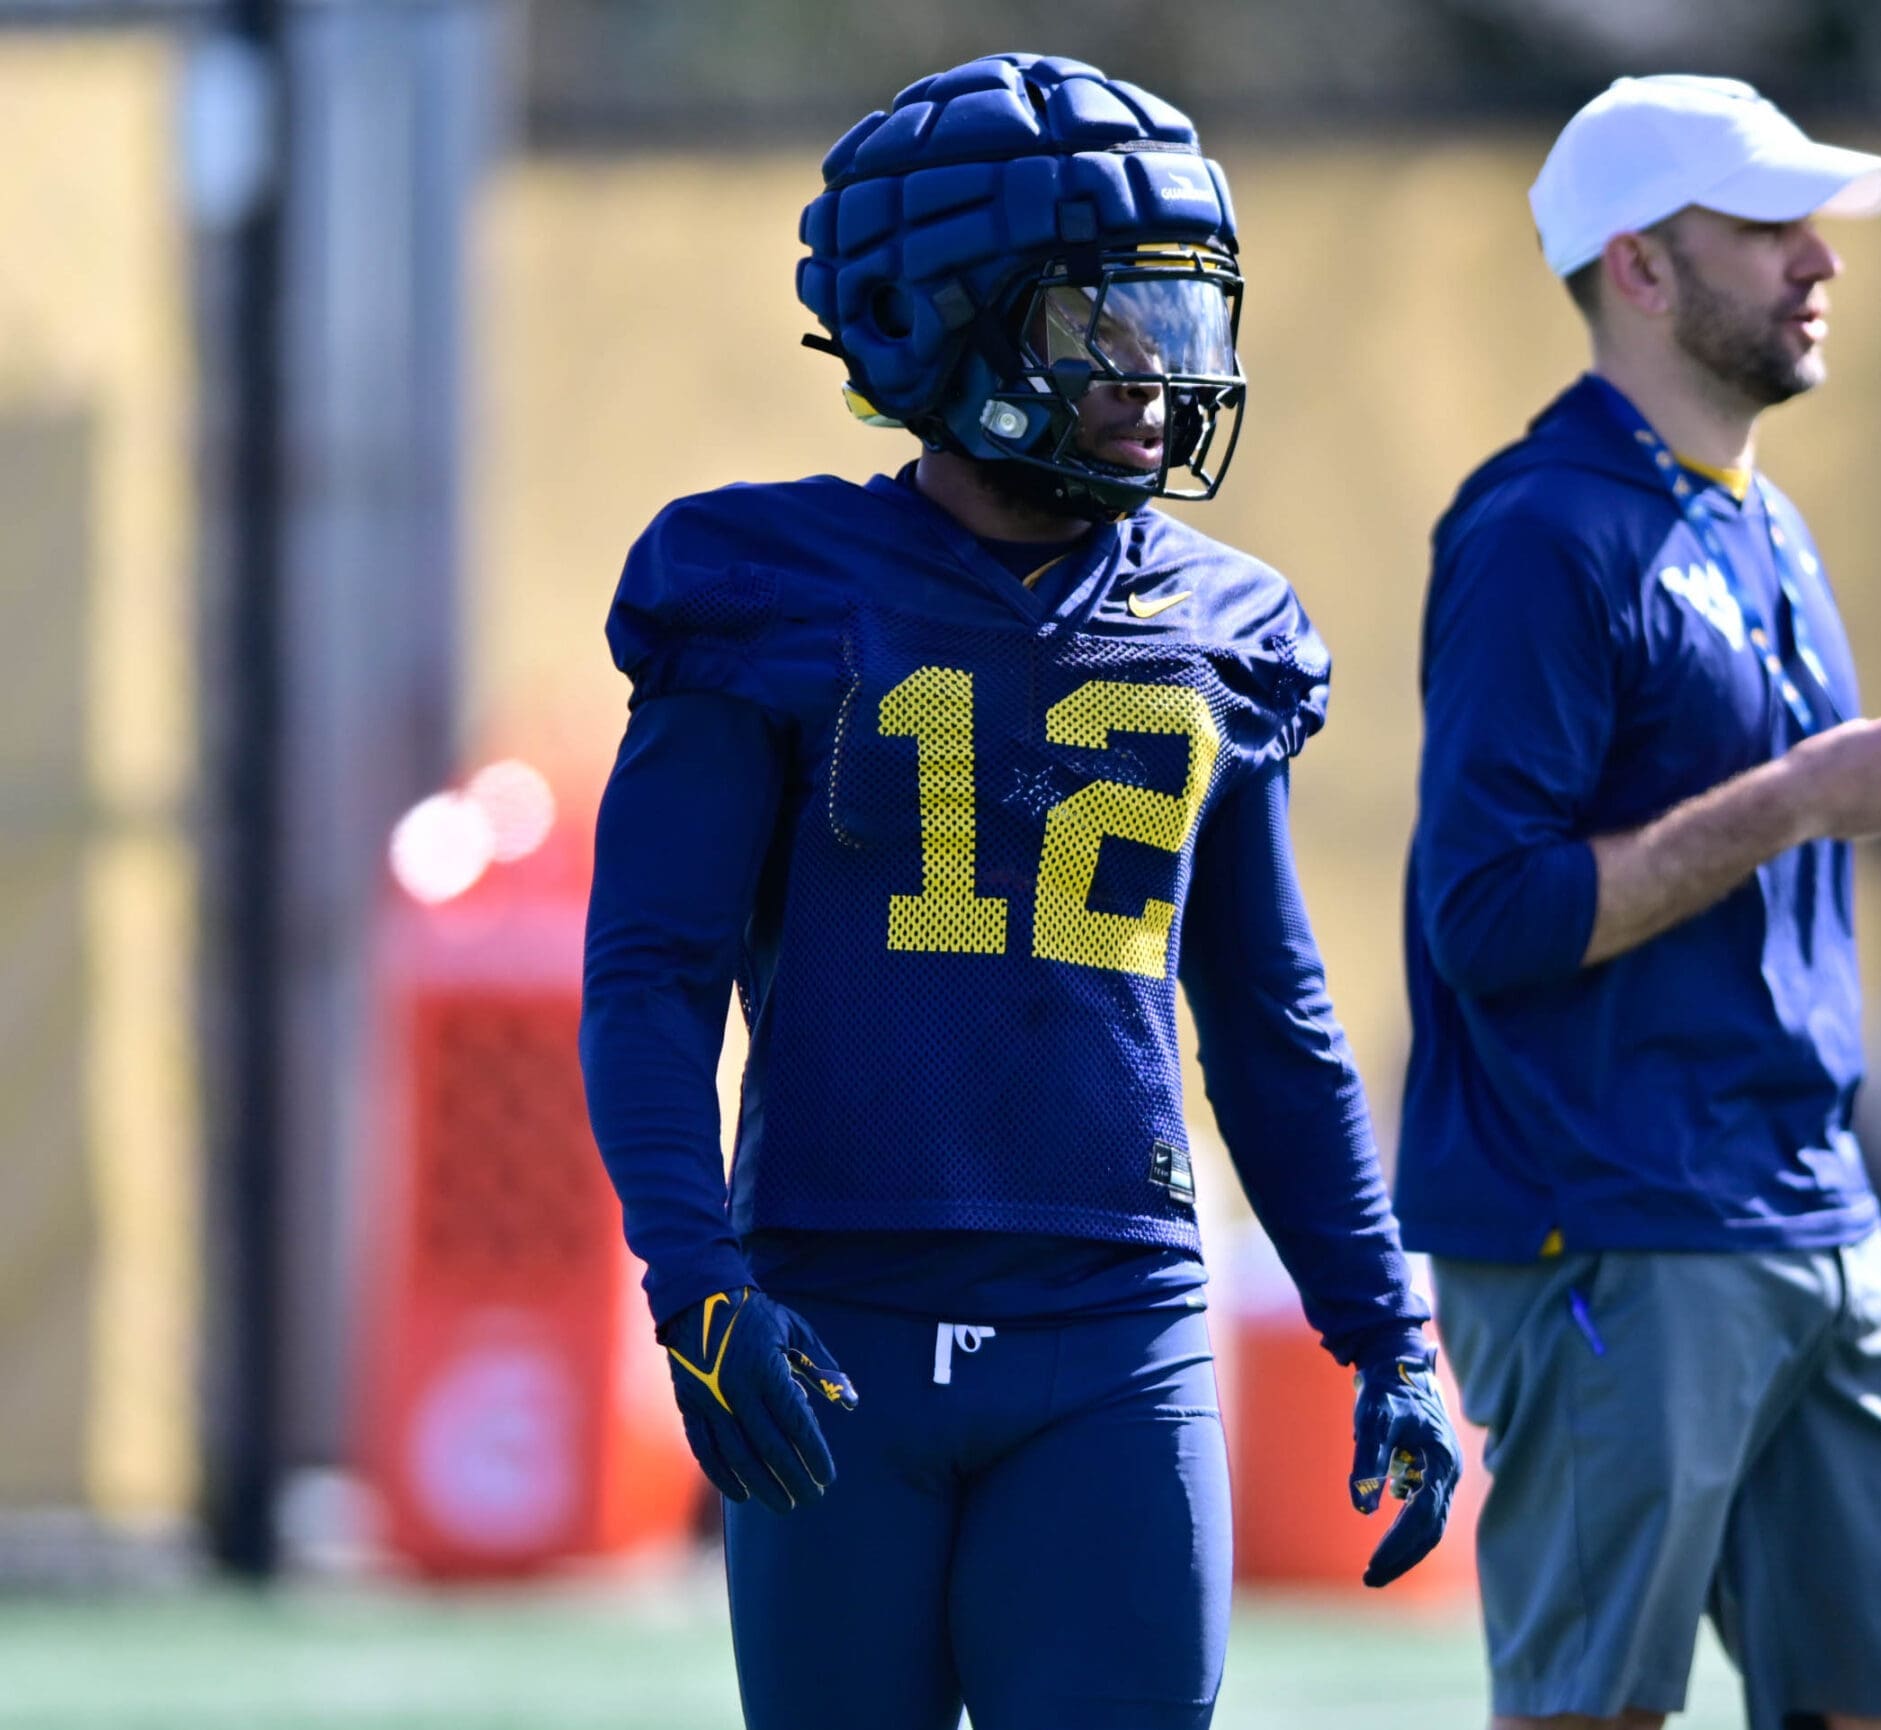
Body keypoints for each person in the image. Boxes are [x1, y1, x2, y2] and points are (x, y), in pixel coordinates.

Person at [579, 53, 1459, 1730]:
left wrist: (1381, 1327)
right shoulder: (763, 590)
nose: (1157, 378)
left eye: (1181, 322)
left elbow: (1270, 1023)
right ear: (942, 320)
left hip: (1109, 1340)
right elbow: (651, 978)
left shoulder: (1218, 622)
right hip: (833, 1322)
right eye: (1104, 323)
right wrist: (694, 1283)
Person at [1394, 74, 1881, 1730]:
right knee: (1600, 1714)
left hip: (1808, 1204)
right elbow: (1490, 916)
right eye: (1768, 228)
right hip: (1606, 1217)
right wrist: (1805, 797)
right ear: (1642, 268)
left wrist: (1861, 811)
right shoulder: (1538, 531)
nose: (1820, 260)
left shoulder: (1771, 525)